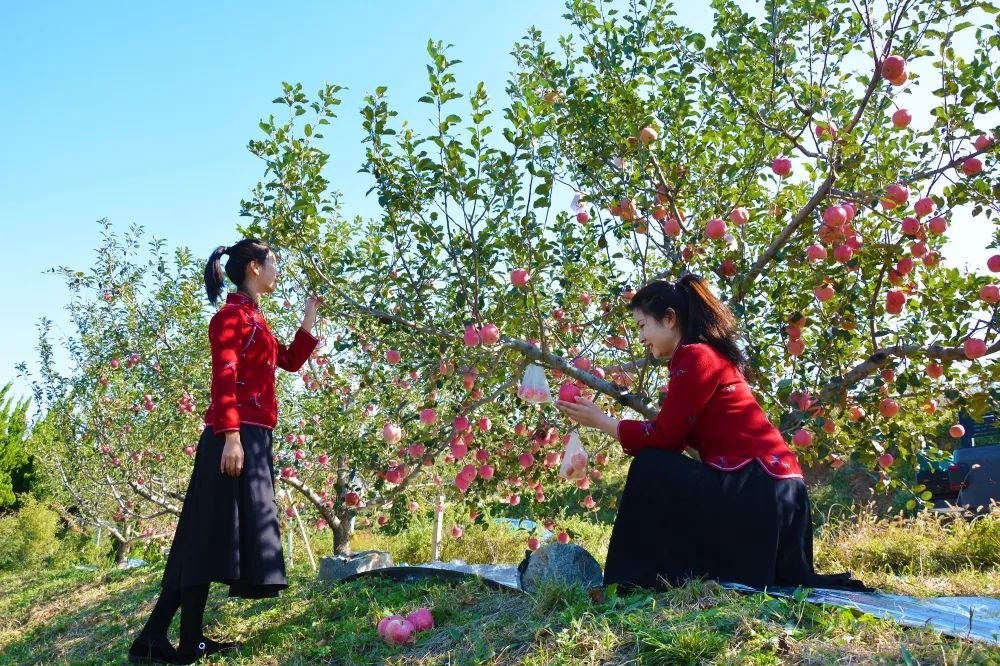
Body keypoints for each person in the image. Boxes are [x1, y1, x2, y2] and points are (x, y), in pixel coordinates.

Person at [555, 274, 866, 592]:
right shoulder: (701, 357)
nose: (641, 337)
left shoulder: (696, 355)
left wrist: (604, 421)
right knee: (659, 465)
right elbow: (671, 438)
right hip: (773, 494)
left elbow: (664, 438)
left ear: (670, 319)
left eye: (641, 326)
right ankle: (653, 576)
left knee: (651, 465)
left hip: (759, 490)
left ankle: (631, 583)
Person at [128, 239, 321, 664]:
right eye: (274, 262)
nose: (277, 269)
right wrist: (231, 436)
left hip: (251, 436)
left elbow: (287, 361)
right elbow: (225, 378)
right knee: (204, 540)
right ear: (253, 267)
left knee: (206, 538)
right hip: (232, 438)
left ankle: (157, 638)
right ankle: (179, 640)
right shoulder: (230, 318)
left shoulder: (255, 319)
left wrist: (309, 319)